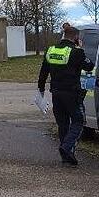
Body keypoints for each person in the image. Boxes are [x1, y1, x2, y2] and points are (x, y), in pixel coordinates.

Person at [38, 22, 94, 165]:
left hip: (56, 93)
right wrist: (80, 48)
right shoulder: (76, 52)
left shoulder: (51, 50)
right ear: (76, 38)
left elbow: (43, 72)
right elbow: (89, 66)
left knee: (63, 124)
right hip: (72, 94)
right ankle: (67, 147)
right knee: (79, 121)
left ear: (63, 35)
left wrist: (41, 89)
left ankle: (66, 156)